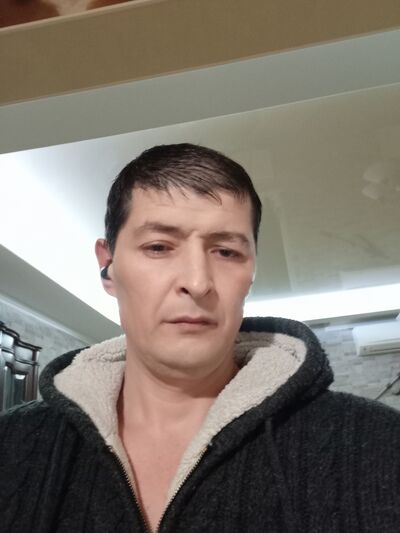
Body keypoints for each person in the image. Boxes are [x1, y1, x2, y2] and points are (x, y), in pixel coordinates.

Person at [1, 143, 399, 533]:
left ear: (252, 271)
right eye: (159, 247)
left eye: (226, 252)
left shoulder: (378, 443)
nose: (197, 282)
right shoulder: (11, 445)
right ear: (108, 266)